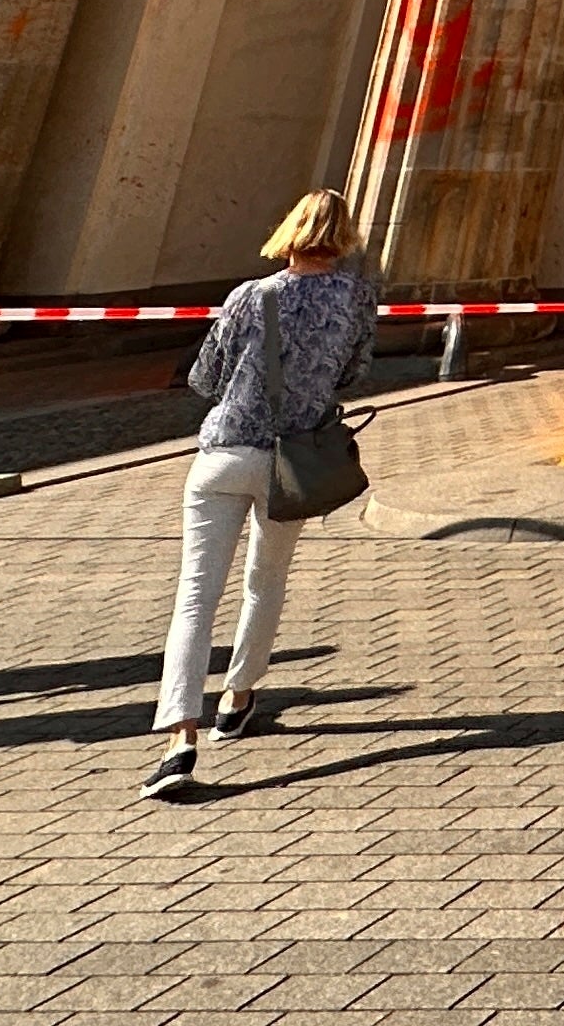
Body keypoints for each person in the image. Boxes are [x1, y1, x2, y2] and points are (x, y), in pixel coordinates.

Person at [140, 189, 378, 803]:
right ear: (343, 235)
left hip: (224, 455)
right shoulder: (357, 298)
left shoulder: (251, 295)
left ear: (290, 230)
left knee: (196, 595)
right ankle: (239, 697)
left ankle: (179, 739)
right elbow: (353, 371)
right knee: (265, 581)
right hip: (293, 461)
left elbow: (205, 377)